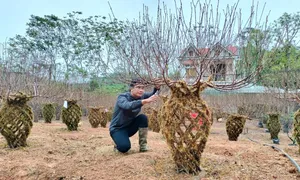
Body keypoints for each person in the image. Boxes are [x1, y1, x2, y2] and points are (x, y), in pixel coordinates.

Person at [109, 78, 160, 153]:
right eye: (138, 87)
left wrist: (156, 88)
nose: (141, 90)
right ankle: (117, 143)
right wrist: (144, 101)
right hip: (117, 129)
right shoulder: (122, 97)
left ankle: (143, 146)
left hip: (130, 127)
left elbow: (151, 95)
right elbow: (127, 105)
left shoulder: (141, 96)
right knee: (125, 148)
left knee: (142, 118)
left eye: (143, 88)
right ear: (131, 88)